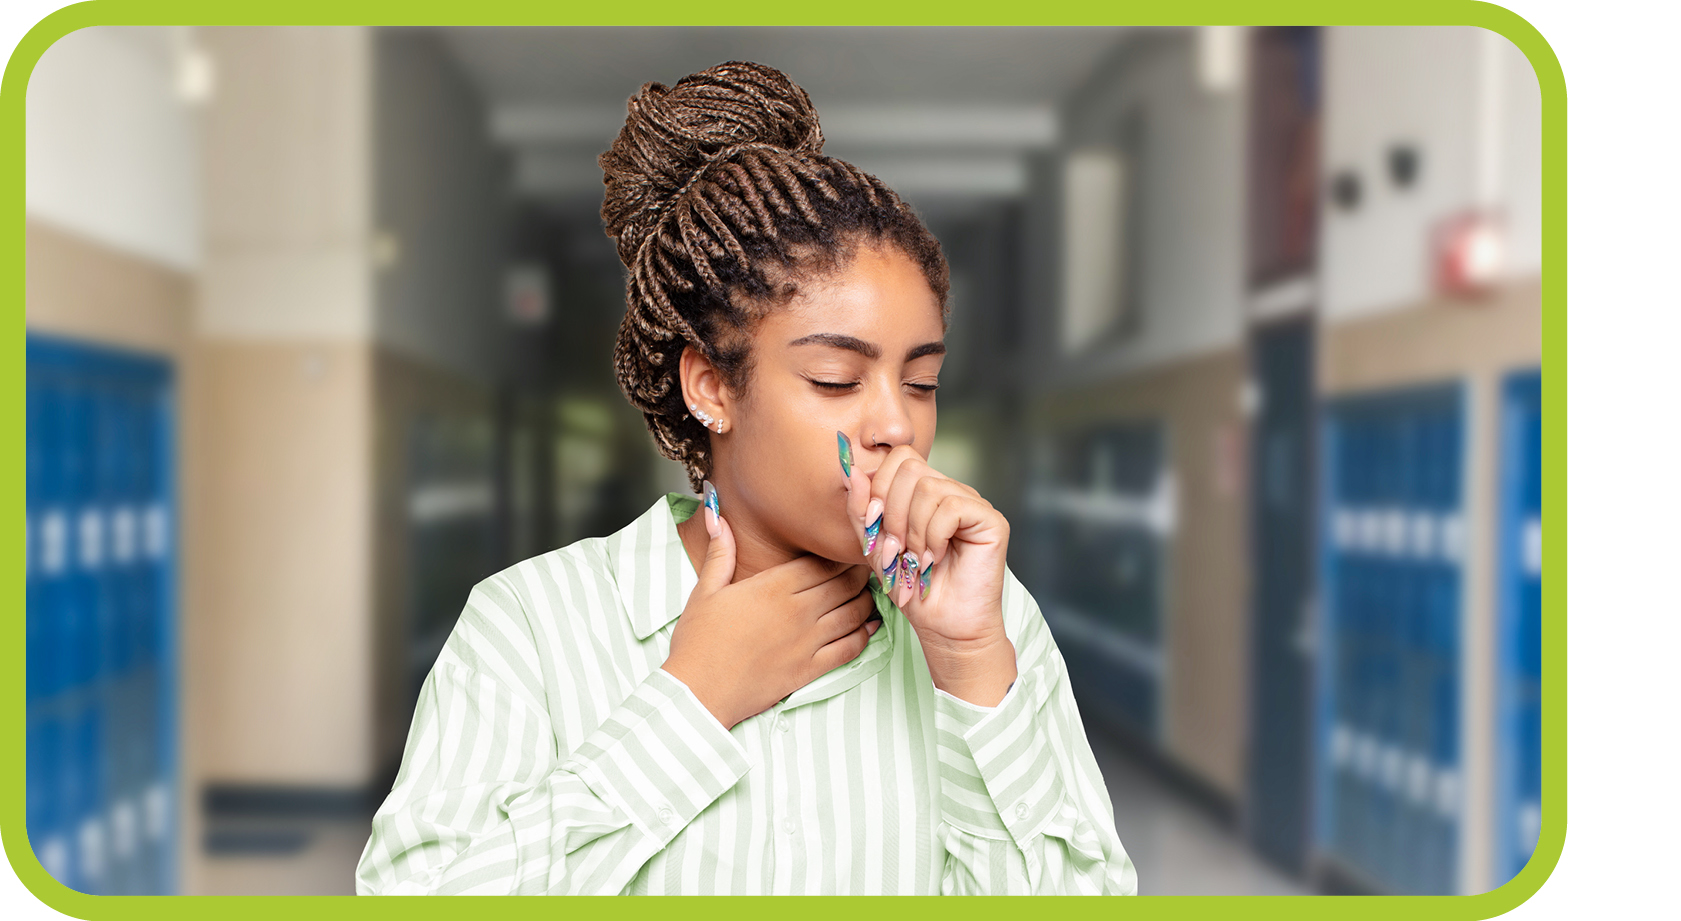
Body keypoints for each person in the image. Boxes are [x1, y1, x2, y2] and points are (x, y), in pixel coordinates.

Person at [356, 62, 1134, 895]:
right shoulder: (533, 627)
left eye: (920, 382)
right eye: (836, 379)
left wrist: (973, 666)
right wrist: (691, 702)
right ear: (711, 387)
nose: (897, 426)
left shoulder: (987, 618)